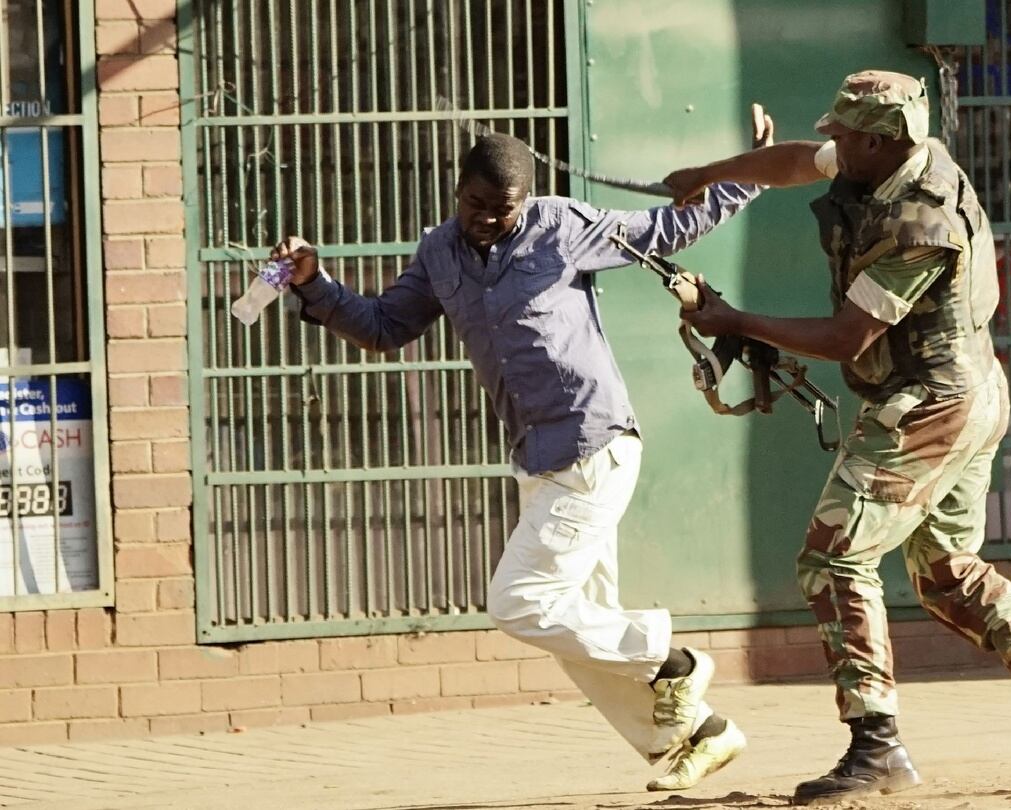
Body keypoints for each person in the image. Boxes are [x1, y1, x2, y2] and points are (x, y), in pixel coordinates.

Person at [663, 70, 1011, 805]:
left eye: (843, 133)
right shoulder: (891, 155)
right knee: (945, 571)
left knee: (833, 558)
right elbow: (794, 162)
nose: (831, 142)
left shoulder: (921, 223)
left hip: (931, 408)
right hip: (969, 393)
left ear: (880, 141)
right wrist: (708, 176)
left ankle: (876, 749)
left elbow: (850, 337)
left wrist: (734, 320)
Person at [272, 125, 766, 792]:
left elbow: (663, 231)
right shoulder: (440, 252)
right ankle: (697, 733)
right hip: (536, 456)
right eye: (474, 203)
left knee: (519, 602)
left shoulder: (562, 226)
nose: (485, 219)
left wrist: (757, 172)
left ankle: (670, 661)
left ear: (526, 201)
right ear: (457, 193)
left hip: (594, 444)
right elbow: (386, 327)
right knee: (571, 626)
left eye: (502, 208)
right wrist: (315, 285)